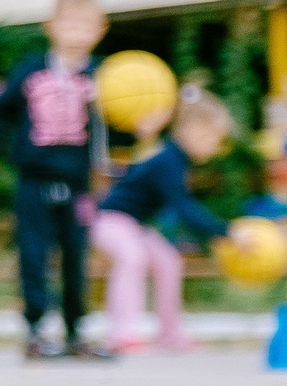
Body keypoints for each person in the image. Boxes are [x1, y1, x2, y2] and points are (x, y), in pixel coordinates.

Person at [0, 0, 111, 360]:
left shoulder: (104, 77)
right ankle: (37, 332)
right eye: (69, 24)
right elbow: (2, 108)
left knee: (76, 257)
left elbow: (121, 125)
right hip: (34, 180)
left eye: (85, 26)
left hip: (78, 183)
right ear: (51, 27)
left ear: (100, 30)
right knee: (33, 256)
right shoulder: (31, 69)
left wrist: (142, 123)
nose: (76, 33)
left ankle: (77, 332)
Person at [95, 94, 241, 353]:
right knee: (132, 257)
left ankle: (169, 334)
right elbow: (184, 208)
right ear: (194, 128)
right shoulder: (168, 161)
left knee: (168, 261)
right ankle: (122, 334)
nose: (214, 147)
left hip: (135, 225)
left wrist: (219, 233)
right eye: (212, 138)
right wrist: (226, 232)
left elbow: (182, 207)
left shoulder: (177, 160)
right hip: (110, 220)